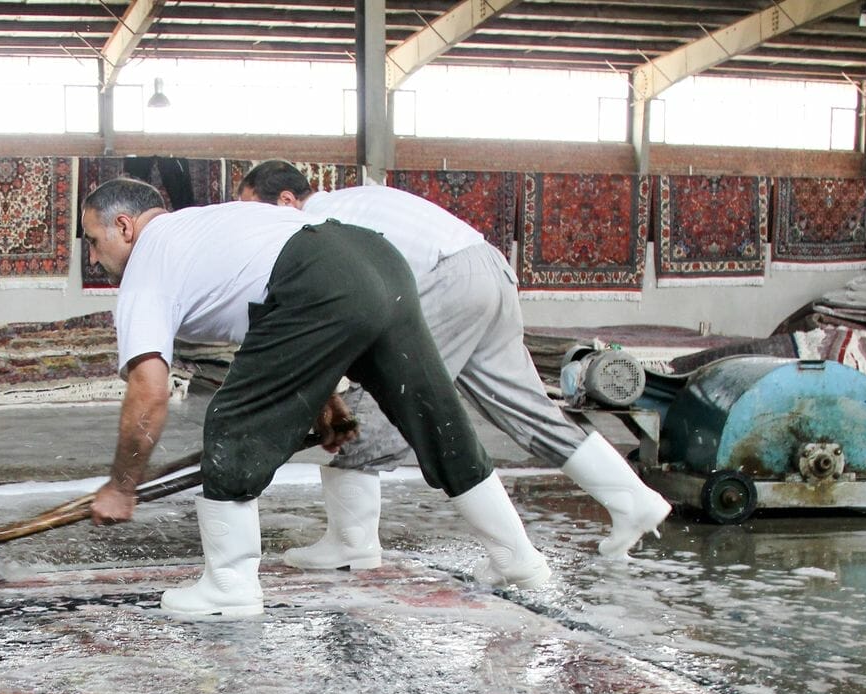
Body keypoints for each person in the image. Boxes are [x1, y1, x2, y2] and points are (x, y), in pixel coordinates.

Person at [79, 176, 550, 620]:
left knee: (233, 422)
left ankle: (229, 585)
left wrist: (122, 486)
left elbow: (149, 391)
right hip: (378, 258)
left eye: (94, 243)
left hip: (316, 280)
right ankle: (518, 560)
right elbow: (287, 328)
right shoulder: (208, 225)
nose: (95, 259)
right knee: (434, 415)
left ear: (125, 225)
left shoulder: (149, 262)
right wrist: (326, 401)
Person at [238, 161, 671, 566]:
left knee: (384, 405)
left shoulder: (312, 226)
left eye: (250, 211)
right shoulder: (355, 198)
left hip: (446, 279)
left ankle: (353, 543)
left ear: (287, 201)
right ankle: (634, 501)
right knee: (526, 408)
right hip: (488, 268)